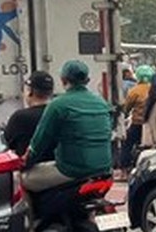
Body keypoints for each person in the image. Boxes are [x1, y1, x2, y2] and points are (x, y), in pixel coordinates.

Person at [22, 61, 114, 192]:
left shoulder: (58, 105)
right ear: (87, 80)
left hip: (72, 170)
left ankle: (32, 213)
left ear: (63, 80)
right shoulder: (102, 103)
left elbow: (40, 141)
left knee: (21, 179)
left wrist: (26, 162)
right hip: (104, 169)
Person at [3, 71, 55, 157]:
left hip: (30, 168)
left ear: (29, 91)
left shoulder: (20, 118)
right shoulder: (60, 114)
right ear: (51, 92)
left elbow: (7, 145)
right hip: (60, 168)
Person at [118, 65, 154, 171]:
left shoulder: (135, 90)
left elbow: (126, 107)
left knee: (127, 144)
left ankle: (125, 167)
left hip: (137, 123)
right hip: (150, 124)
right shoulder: (153, 89)